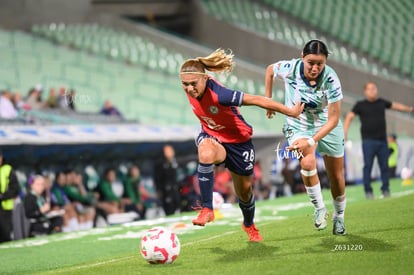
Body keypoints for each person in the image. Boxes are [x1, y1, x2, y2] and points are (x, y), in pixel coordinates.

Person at [179, 48, 303, 242]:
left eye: (193, 84)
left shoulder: (220, 94)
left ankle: (249, 225)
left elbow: (256, 99)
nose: (188, 89)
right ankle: (207, 208)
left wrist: (291, 112)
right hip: (213, 137)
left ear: (205, 78)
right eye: (184, 85)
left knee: (244, 190)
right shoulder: (192, 89)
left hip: (238, 143)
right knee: (205, 152)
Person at [265, 40, 347, 235]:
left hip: (326, 124)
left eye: (320, 63)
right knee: (308, 163)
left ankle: (339, 217)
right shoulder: (290, 68)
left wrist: (313, 140)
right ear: (302, 56)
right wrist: (268, 101)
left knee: (336, 176)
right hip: (298, 125)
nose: (315, 68)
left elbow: (334, 119)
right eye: (311, 62)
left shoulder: (331, 78)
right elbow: (269, 70)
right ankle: (319, 208)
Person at [343, 81, 414, 198]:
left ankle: (385, 189)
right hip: (368, 141)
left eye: (374, 88)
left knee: (384, 166)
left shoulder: (381, 102)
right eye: (370, 89)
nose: (372, 91)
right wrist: (345, 132)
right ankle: (368, 191)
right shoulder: (360, 105)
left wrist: (410, 109)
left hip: (382, 140)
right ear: (365, 91)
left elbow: (396, 106)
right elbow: (350, 117)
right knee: (368, 166)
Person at [153, 144, 182, 216]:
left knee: (177, 204)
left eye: (170, 151)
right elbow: (157, 178)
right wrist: (158, 189)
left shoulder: (176, 162)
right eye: (167, 151)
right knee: (169, 207)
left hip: (175, 189)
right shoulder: (160, 164)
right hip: (166, 190)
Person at [0, 149, 19, 243]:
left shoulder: (8, 169)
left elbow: (14, 188)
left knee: (6, 233)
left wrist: (3, 196)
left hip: (5, 207)